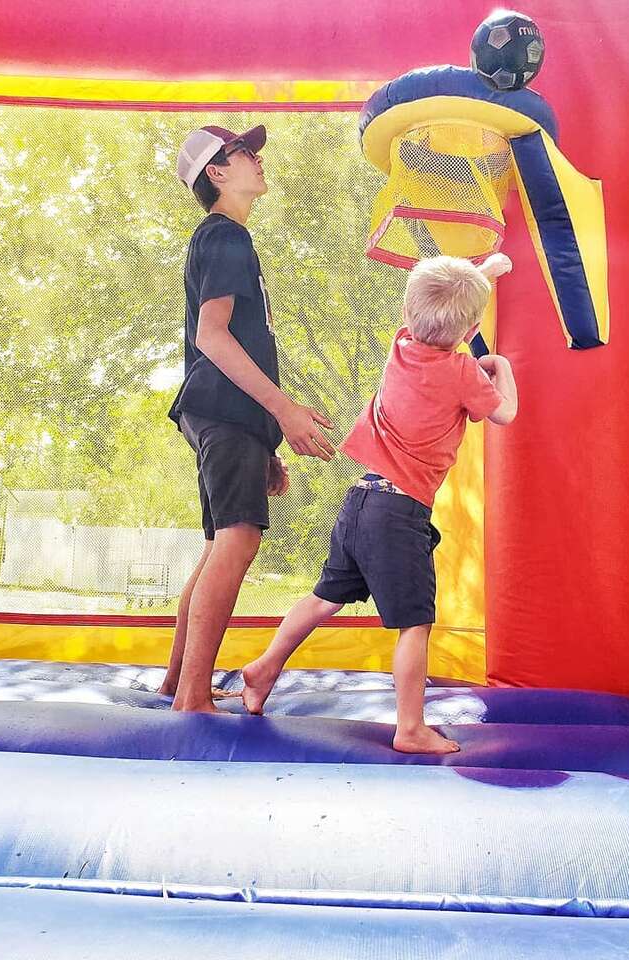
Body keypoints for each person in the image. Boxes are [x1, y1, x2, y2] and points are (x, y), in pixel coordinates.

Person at [239, 253, 518, 753]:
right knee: (415, 622)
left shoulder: (402, 347)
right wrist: (501, 368)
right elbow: (504, 415)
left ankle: (264, 667)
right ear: (471, 327)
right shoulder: (463, 373)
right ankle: (410, 728)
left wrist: (486, 273)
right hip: (400, 514)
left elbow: (438, 308)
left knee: (324, 597)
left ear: (409, 318)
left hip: (362, 500)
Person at [159, 124, 335, 713]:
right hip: (221, 408)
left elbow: (234, 342)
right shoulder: (226, 236)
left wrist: (265, 441)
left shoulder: (222, 239)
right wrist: (284, 412)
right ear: (217, 173)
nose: (257, 159)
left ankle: (176, 683)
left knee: (219, 543)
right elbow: (212, 336)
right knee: (238, 537)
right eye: (243, 153)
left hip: (225, 414)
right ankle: (191, 698)